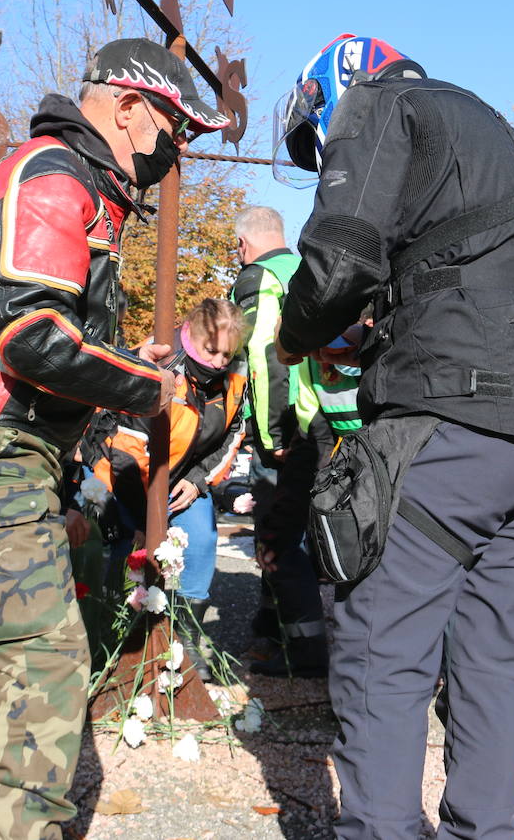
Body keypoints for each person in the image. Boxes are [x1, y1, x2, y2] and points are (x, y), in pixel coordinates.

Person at [273, 35, 514, 839]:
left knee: (383, 650)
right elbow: (468, 271)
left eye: (317, 140)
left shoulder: (379, 104)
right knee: (489, 655)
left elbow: (340, 253)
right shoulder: (505, 138)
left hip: (460, 414)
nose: (322, 152)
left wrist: (296, 333)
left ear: (333, 90)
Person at [0, 36, 227, 838]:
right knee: (43, 670)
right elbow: (33, 339)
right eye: (175, 129)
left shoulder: (68, 177)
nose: (176, 150)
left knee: (3, 669)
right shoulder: (57, 174)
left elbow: (50, 330)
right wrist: (154, 385)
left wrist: (119, 363)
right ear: (127, 107)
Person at [86, 297, 248, 679]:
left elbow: (235, 432)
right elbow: (125, 451)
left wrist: (199, 480)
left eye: (228, 353)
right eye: (212, 351)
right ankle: (115, 641)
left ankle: (184, 640)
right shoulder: (158, 365)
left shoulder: (236, 375)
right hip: (121, 473)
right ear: (189, 334)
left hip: (183, 477)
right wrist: (147, 517)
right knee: (131, 553)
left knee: (202, 540)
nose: (221, 362)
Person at [231, 205, 329, 677]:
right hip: (323, 420)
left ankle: (305, 652)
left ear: (244, 246)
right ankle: (271, 632)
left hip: (286, 427)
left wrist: (269, 436)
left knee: (277, 538)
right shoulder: (304, 269)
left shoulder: (257, 278)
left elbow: (264, 357)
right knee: (301, 533)